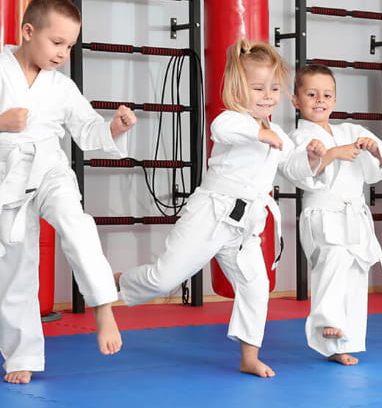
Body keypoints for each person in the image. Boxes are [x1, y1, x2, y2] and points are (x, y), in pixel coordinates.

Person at [116, 39, 324, 378]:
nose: (268, 95)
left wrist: (312, 159)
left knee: (257, 287)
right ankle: (119, 282)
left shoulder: (277, 132)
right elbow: (221, 128)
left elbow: (295, 170)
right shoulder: (233, 121)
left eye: (273, 88)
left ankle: (249, 356)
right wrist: (260, 135)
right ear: (238, 90)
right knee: (164, 278)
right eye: (258, 88)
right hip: (211, 215)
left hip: (246, 226)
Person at [0, 0, 137, 384]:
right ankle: (21, 356)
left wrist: (115, 128)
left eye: (70, 46)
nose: (63, 53)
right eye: (56, 42)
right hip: (8, 180)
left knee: (76, 226)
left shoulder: (61, 87)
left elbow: (87, 128)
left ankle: (103, 307)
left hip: (50, 170)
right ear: (28, 31)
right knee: (16, 266)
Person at [288, 64, 382, 366]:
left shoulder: (352, 131)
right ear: (295, 100)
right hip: (321, 212)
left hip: (353, 214)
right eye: (311, 94)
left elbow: (375, 172)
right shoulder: (299, 136)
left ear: (335, 100)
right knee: (333, 258)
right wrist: (330, 154)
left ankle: (341, 344)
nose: (320, 99)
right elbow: (301, 175)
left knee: (356, 274)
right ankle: (327, 320)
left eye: (327, 94)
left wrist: (373, 150)